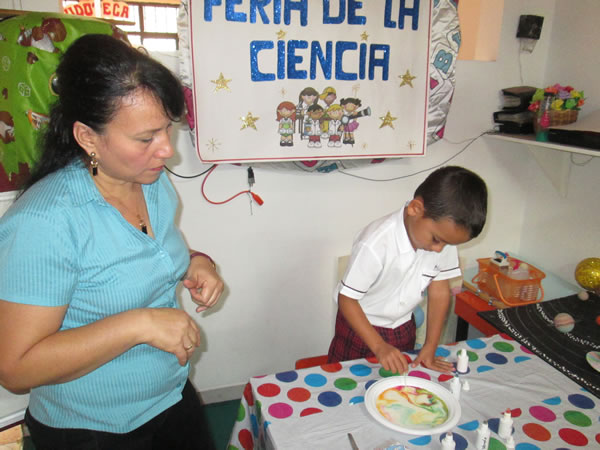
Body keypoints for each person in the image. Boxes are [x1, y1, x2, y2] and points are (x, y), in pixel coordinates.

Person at [0, 34, 224, 449]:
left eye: (167, 130)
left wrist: (196, 262)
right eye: (146, 139)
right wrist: (139, 324)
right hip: (94, 429)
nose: (166, 151)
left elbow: (144, 255)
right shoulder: (45, 222)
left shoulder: (152, 183)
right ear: (87, 137)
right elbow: (15, 368)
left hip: (169, 396)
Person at [327, 166, 487, 374]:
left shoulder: (443, 239)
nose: (439, 249)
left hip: (403, 328)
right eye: (436, 240)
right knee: (345, 385)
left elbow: (439, 292)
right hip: (359, 328)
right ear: (415, 209)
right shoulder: (375, 242)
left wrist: (430, 346)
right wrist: (379, 346)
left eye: (446, 244)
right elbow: (347, 299)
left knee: (397, 389)